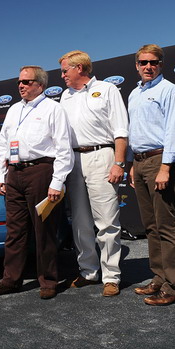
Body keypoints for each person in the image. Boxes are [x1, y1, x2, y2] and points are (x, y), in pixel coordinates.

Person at [0, 66, 74, 300]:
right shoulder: (14, 110)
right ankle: (10, 280)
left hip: (41, 172)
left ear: (40, 85)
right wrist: (0, 175)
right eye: (19, 82)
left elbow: (63, 148)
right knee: (14, 231)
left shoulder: (53, 109)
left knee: (44, 230)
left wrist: (57, 181)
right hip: (14, 174)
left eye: (26, 81)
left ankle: (48, 280)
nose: (21, 85)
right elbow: (3, 144)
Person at [58, 50, 129, 297]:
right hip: (74, 160)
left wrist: (118, 163)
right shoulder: (64, 96)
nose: (62, 75)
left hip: (102, 156)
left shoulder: (108, 89)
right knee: (79, 221)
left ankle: (111, 277)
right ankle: (88, 271)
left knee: (107, 221)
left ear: (80, 68)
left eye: (65, 70)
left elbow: (121, 130)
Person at [127, 44, 175, 305]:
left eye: (153, 62)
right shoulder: (134, 93)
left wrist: (166, 167)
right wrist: (132, 163)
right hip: (140, 162)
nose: (148, 66)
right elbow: (136, 132)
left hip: (161, 161)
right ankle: (159, 277)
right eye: (143, 62)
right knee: (151, 226)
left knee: (167, 225)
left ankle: (173, 286)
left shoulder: (169, 90)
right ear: (136, 66)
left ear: (161, 64)